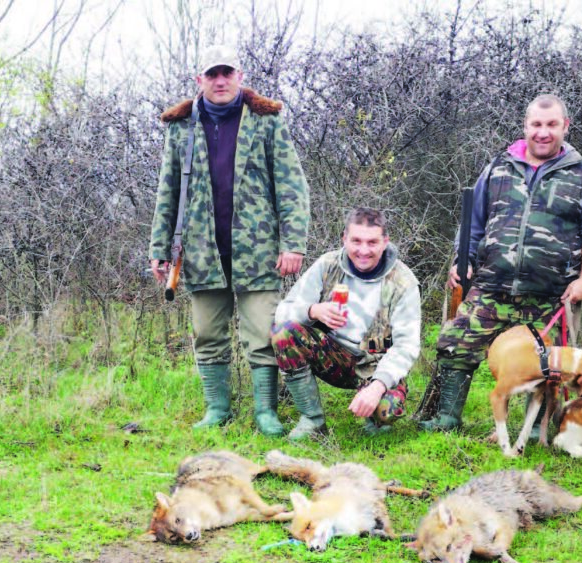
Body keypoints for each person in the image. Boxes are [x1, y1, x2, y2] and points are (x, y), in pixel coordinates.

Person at [418, 94, 582, 432]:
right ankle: (448, 418)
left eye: (551, 125)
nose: (543, 132)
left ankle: (536, 429)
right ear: (525, 126)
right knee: (456, 344)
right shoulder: (498, 167)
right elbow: (473, 222)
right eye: (536, 124)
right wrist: (463, 261)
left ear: (565, 126)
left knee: (549, 363)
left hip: (550, 294)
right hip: (491, 286)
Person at [148, 45, 310, 436]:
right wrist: (159, 248)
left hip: (258, 251)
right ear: (199, 79)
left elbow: (291, 186)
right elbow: (168, 192)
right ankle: (217, 409)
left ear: (239, 76)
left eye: (227, 73)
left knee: (262, 334)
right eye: (212, 74)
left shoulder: (266, 121)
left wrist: (293, 243)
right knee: (207, 333)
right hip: (201, 251)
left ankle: (265, 412)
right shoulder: (181, 127)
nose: (220, 81)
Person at [271, 208, 421, 439]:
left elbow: (407, 346)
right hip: (332, 355)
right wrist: (312, 310)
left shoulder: (404, 281)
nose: (363, 250)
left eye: (372, 242)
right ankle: (312, 420)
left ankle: (374, 417)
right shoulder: (327, 264)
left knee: (386, 410)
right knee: (284, 333)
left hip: (375, 364)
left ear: (385, 242)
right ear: (344, 239)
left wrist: (378, 386)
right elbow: (283, 312)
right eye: (356, 241)